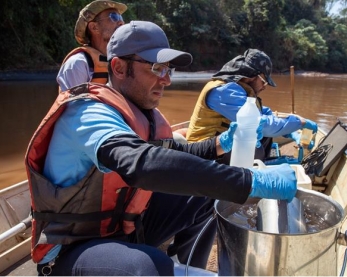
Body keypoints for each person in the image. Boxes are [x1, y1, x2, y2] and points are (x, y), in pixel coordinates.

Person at [25, 21, 297, 276]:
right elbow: (142, 163)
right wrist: (249, 181)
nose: (166, 79)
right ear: (119, 68)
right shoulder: (86, 113)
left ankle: (189, 266)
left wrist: (221, 143)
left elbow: (175, 155)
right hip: (73, 247)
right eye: (157, 68)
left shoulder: (142, 114)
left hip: (123, 227)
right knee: (145, 266)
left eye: (169, 69)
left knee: (203, 196)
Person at [186, 48, 318, 162]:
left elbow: (263, 112)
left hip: (221, 146)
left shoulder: (237, 89)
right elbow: (259, 123)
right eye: (264, 82)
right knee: (257, 144)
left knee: (263, 138)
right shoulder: (223, 91)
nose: (264, 87)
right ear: (253, 76)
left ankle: (262, 164)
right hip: (206, 152)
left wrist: (290, 130)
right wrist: (298, 123)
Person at [56, 0, 127, 92]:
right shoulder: (77, 64)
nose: (121, 22)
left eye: (121, 17)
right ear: (94, 27)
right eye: (114, 17)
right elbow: (73, 105)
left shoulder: (123, 62)